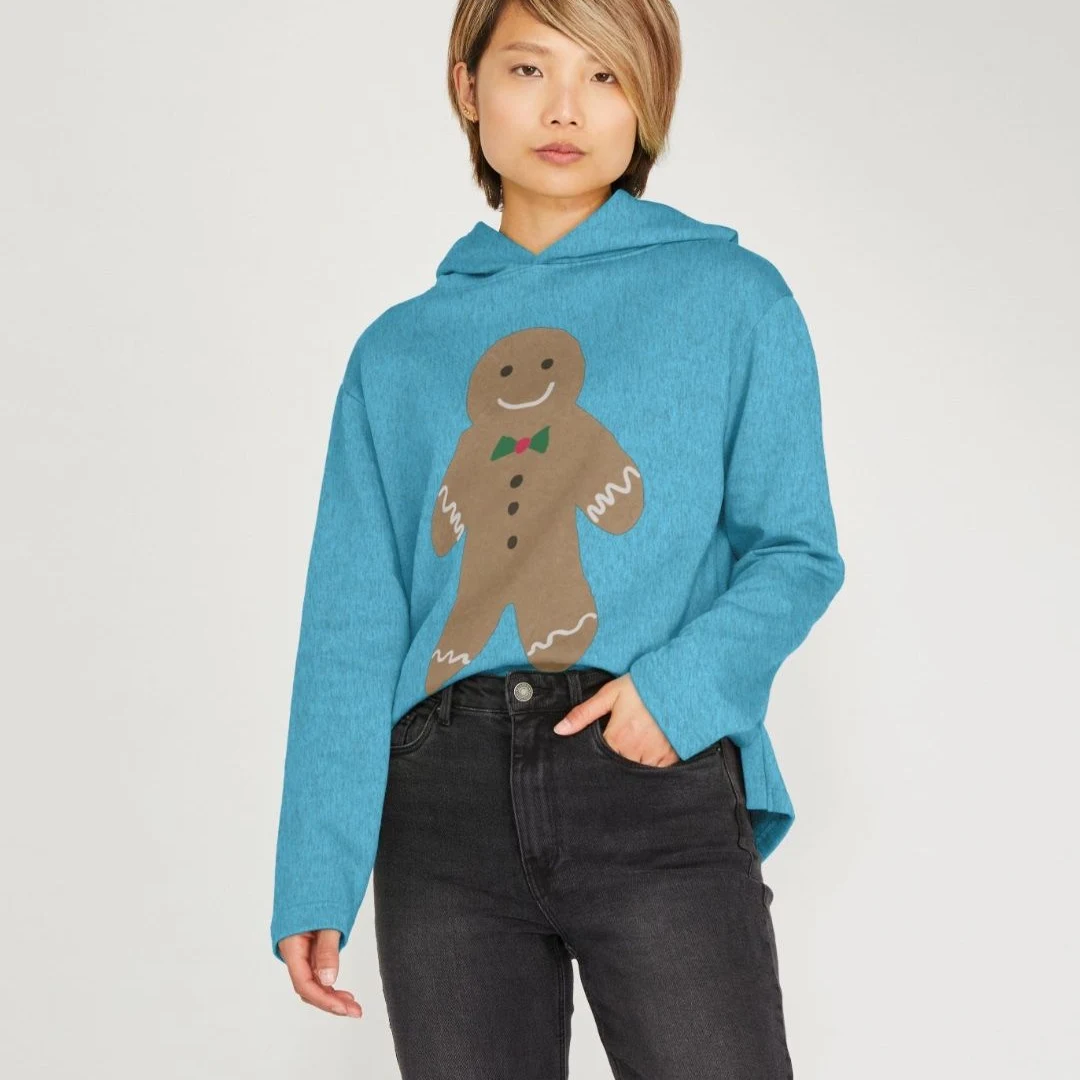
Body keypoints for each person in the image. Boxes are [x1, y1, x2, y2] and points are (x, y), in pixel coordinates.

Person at [270, 0, 844, 1076]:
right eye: (529, 69)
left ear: (649, 100)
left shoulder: (734, 299)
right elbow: (351, 622)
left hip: (650, 773)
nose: (566, 109)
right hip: (441, 807)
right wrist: (316, 865)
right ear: (467, 87)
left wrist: (673, 699)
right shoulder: (397, 352)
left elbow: (796, 550)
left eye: (606, 76)